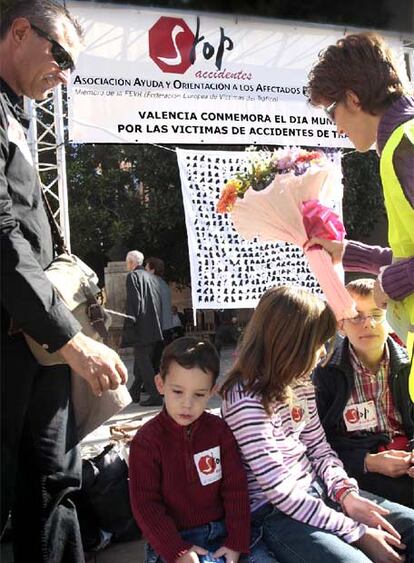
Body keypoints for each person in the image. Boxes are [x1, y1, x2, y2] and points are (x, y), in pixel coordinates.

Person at [0, 1, 127, 561]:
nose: (66, 73)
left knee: (56, 481)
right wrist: (71, 340)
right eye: (63, 56)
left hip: (37, 346)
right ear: (21, 31)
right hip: (18, 344)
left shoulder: (14, 111)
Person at [221, 285, 414, 563]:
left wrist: (346, 495)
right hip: (276, 514)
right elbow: (281, 491)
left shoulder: (300, 382)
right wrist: (357, 533)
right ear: (289, 344)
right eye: (317, 344)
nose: (323, 352)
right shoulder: (245, 399)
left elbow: (319, 449)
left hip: (322, 492)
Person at [305, 31, 414, 400]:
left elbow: (403, 271)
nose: (335, 125)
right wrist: (347, 252)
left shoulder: (406, 143)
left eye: (331, 110)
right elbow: (406, 256)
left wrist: (390, 285)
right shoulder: (400, 144)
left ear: (353, 98)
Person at [128, 336, 251, 563]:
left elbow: (236, 489)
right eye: (177, 392)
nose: (187, 403)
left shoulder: (219, 432)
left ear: (212, 391)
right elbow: (145, 504)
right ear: (160, 384)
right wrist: (177, 550)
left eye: (199, 394)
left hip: (221, 535)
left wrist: (236, 540)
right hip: (171, 541)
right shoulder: (147, 441)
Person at [313, 278, 414, 508]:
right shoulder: (326, 374)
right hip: (358, 469)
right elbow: (319, 442)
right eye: (356, 316)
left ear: (391, 318)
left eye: (377, 314)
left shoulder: (410, 364)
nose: (368, 324)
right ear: (340, 325)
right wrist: (367, 462)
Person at [121, 250, 163, 406]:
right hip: (154, 326)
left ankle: (155, 395)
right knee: (142, 362)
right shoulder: (151, 277)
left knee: (144, 364)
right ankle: (134, 393)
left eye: (127, 262)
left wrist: (130, 324)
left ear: (132, 262)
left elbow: (134, 302)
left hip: (141, 327)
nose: (127, 265)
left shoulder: (132, 277)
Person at [145, 256, 174, 372]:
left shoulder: (152, 284)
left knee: (154, 359)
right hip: (166, 326)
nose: (144, 270)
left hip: (157, 328)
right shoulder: (163, 284)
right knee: (160, 358)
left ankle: (153, 384)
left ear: (152, 270)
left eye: (146, 267)